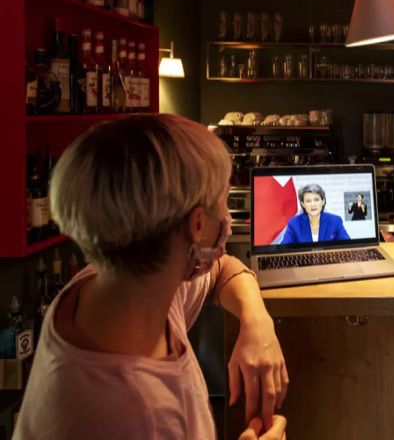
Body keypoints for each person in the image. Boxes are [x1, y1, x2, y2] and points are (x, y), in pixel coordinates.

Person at [14, 114, 289, 440]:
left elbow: (220, 269)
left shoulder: (122, 281)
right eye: (224, 201)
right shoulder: (138, 417)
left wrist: (257, 323)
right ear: (198, 226)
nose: (227, 217)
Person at [281, 184, 350, 244]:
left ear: (323, 201)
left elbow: (348, 245)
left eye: (316, 200)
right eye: (308, 201)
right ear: (303, 204)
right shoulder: (294, 223)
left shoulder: (335, 221)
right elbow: (284, 249)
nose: (313, 204)